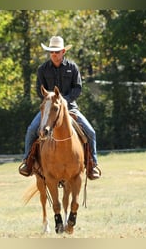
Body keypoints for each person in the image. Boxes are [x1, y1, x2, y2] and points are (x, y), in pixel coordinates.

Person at [19, 36, 100, 180]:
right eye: (51, 52)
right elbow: (40, 90)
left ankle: (92, 164)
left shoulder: (72, 67)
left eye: (56, 52)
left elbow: (77, 88)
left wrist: (64, 101)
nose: (54, 54)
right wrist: (51, 100)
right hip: (50, 109)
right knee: (32, 129)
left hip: (70, 107)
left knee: (91, 132)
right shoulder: (42, 69)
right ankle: (27, 162)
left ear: (63, 52)